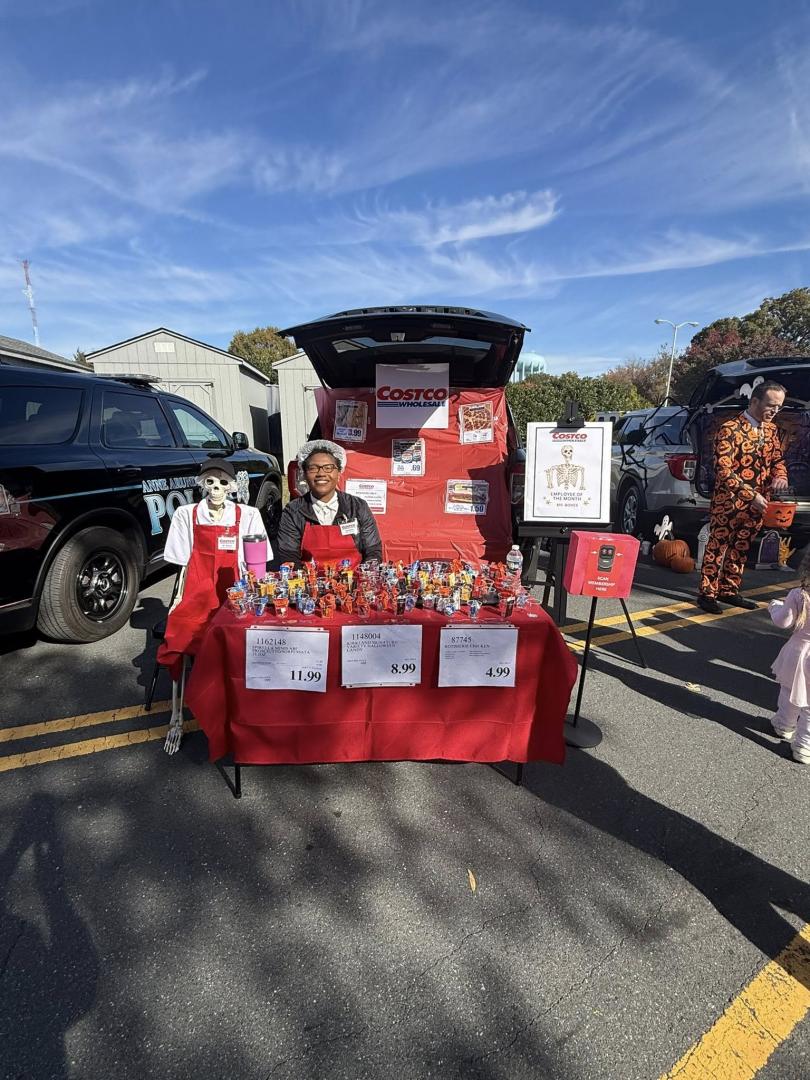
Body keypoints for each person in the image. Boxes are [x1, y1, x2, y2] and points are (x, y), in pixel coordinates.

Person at [157, 456, 268, 753]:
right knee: (179, 638)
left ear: (231, 486)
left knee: (245, 640)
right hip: (197, 592)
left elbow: (256, 563)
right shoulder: (186, 514)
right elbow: (181, 564)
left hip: (234, 592)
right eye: (210, 482)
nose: (215, 488)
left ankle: (244, 709)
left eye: (221, 483)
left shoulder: (247, 515)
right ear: (202, 484)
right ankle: (177, 717)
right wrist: (177, 602)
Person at [697, 381, 789, 614]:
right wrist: (750, 496)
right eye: (771, 406)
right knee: (717, 547)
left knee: (742, 547)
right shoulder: (730, 428)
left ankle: (729, 590)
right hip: (730, 503)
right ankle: (707, 594)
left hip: (759, 504)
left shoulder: (771, 430)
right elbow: (723, 470)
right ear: (755, 401)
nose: (774, 411)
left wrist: (781, 476)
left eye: (779, 407)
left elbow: (777, 460)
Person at [275, 439, 382, 568]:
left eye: (328, 468)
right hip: (310, 583)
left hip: (354, 581)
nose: (321, 474)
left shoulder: (357, 507)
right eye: (313, 468)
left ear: (338, 472)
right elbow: (289, 556)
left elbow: (373, 550)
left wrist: (365, 578)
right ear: (304, 473)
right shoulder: (293, 511)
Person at [767, 547, 810, 764]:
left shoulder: (799, 595)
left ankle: (784, 725)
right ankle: (804, 746)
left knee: (789, 689)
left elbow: (784, 622)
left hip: (797, 651)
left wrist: (774, 607)